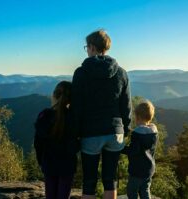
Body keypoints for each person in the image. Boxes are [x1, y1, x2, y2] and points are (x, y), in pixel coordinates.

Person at [71, 29, 132, 199]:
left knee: (89, 180)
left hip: (90, 132)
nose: (87, 50)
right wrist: (125, 130)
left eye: (86, 47)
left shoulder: (81, 73)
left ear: (91, 47)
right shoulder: (121, 73)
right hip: (115, 132)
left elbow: (77, 106)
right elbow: (126, 106)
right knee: (110, 178)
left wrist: (74, 133)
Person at [34, 81, 79, 199]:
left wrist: (41, 161)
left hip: (49, 163)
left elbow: (38, 143)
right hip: (67, 165)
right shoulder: (73, 117)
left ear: (54, 95)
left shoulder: (44, 116)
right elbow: (75, 144)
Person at [122, 100, 158, 199]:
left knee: (132, 192)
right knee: (145, 190)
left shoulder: (137, 135)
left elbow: (133, 151)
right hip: (149, 169)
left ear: (137, 117)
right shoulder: (153, 133)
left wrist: (121, 148)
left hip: (137, 170)